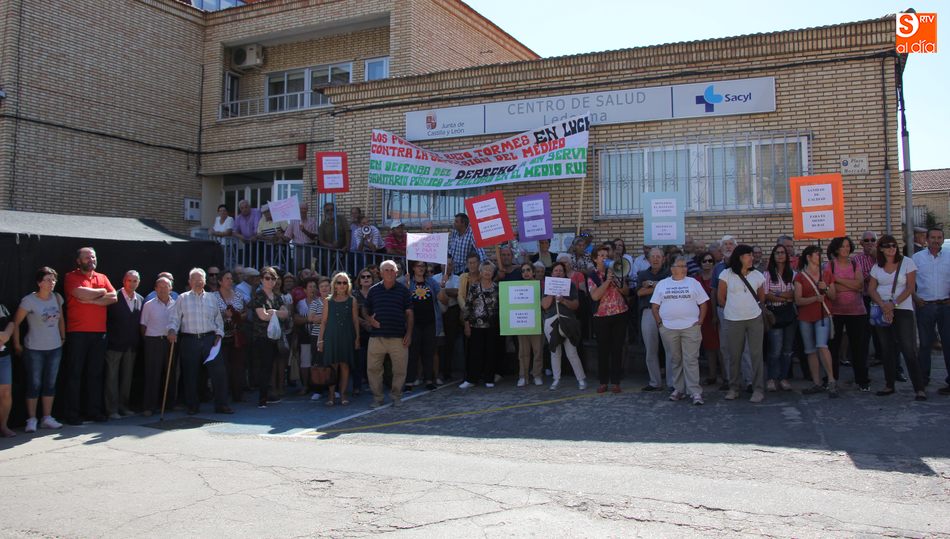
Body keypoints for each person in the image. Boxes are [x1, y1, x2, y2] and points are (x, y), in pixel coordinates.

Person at [63, 247, 117, 425]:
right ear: (79, 261)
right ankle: (73, 414)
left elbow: (114, 296)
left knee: (95, 374)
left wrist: (91, 299)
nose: (91, 259)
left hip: (99, 333)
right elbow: (78, 293)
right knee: (75, 374)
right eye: (87, 257)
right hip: (77, 333)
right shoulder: (71, 277)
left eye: (93, 256)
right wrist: (101, 293)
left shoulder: (102, 277)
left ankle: (94, 411)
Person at [869, 235, 926, 400]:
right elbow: (872, 289)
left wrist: (892, 305)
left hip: (902, 309)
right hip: (882, 309)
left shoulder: (907, 262)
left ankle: (919, 388)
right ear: (881, 248)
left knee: (908, 349)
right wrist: (882, 305)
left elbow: (910, 287)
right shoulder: (877, 267)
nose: (891, 248)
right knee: (887, 349)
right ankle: (889, 384)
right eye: (887, 245)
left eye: (893, 245)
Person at [168, 268, 231, 414]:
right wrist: (171, 330)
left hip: (210, 339)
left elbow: (218, 319)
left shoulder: (212, 298)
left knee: (218, 373)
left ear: (204, 281)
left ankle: (221, 404)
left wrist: (219, 334)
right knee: (190, 374)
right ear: (189, 282)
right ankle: (192, 405)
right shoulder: (182, 298)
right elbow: (175, 318)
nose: (198, 282)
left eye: (200, 280)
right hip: (189, 340)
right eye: (194, 280)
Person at [11, 267, 65, 432]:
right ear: (39, 282)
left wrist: (63, 338)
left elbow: (61, 318)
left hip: (55, 347)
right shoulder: (29, 301)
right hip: (34, 348)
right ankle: (32, 418)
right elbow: (16, 322)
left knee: (50, 383)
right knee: (34, 384)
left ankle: (47, 417)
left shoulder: (57, 298)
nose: (52, 283)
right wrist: (17, 344)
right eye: (48, 280)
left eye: (53, 279)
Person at [651, 255, 709, 405]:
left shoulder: (693, 283)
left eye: (685, 266)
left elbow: (703, 304)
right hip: (669, 328)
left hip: (691, 327)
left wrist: (700, 321)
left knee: (691, 360)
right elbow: (655, 307)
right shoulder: (662, 284)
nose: (684, 269)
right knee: (675, 359)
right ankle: (679, 389)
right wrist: (660, 324)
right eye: (681, 266)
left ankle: (695, 391)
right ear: (672, 268)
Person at [718, 244, 767, 403]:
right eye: (748, 255)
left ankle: (758, 389)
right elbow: (720, 297)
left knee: (756, 355)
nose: (752, 258)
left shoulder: (758, 275)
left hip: (754, 319)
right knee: (734, 355)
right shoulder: (726, 274)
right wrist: (733, 309)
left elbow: (762, 297)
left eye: (752, 255)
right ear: (740, 257)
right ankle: (734, 388)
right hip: (733, 320)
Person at [364, 260, 413, 407]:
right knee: (373, 369)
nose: (389, 273)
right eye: (386, 270)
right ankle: (377, 398)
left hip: (398, 337)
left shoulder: (404, 290)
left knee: (399, 369)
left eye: (392, 270)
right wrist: (369, 320)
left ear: (397, 273)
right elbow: (365, 309)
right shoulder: (373, 290)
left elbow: (410, 314)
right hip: (376, 337)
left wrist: (409, 334)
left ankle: (396, 396)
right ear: (380, 273)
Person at [825, 236, 870, 391]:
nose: (845, 249)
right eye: (842, 246)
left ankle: (862, 380)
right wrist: (848, 286)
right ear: (836, 249)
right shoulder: (830, 265)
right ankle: (832, 379)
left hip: (857, 312)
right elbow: (831, 289)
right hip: (835, 312)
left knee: (858, 347)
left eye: (847, 246)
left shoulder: (854, 263)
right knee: (833, 346)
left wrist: (838, 280)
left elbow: (859, 285)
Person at [795, 245, 839, 398]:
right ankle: (817, 382)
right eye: (816, 254)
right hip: (805, 317)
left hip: (823, 315)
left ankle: (831, 380)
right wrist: (815, 298)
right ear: (808, 257)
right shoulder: (800, 276)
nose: (819, 257)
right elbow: (798, 300)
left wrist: (825, 288)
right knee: (809, 350)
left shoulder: (826, 274)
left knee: (822, 345)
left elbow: (833, 296)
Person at [911, 227, 950, 393]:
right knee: (925, 345)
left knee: (948, 344)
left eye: (939, 237)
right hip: (925, 306)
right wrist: (915, 298)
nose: (936, 240)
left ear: (943, 239)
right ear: (926, 239)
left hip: (946, 306)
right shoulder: (917, 258)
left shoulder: (949, 255)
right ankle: (922, 381)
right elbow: (909, 281)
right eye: (932, 237)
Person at [589, 245, 629, 393]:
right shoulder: (592, 276)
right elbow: (595, 296)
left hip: (620, 314)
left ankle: (616, 381)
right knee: (603, 350)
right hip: (601, 317)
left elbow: (626, 291)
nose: (605, 258)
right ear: (595, 259)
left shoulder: (617, 271)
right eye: (601, 255)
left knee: (617, 349)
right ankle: (603, 381)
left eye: (606, 255)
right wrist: (606, 281)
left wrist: (617, 280)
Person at [316, 272, 360, 406]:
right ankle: (331, 395)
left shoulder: (352, 300)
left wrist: (357, 338)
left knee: (345, 365)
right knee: (333, 366)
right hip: (331, 336)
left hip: (347, 335)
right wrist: (320, 340)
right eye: (339, 282)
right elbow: (323, 322)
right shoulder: (328, 301)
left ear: (348, 285)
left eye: (344, 283)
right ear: (334, 285)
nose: (342, 285)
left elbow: (355, 321)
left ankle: (343, 394)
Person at [248, 266, 289, 409]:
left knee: (272, 365)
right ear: (261, 280)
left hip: (275, 337)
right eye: (267, 278)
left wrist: (274, 312)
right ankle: (262, 398)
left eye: (273, 278)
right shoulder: (258, 296)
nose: (270, 281)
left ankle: (270, 393)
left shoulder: (278, 297)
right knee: (264, 367)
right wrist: (276, 313)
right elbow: (262, 316)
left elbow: (285, 313)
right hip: (262, 337)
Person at [542, 261, 586, 390]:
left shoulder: (570, 285)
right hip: (551, 320)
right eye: (556, 270)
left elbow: (576, 305)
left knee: (571, 352)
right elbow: (544, 305)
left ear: (564, 273)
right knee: (555, 351)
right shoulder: (546, 285)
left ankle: (581, 379)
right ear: (552, 273)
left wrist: (563, 301)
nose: (558, 272)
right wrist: (551, 291)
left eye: (561, 270)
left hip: (567, 320)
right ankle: (556, 379)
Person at [105, 270, 143, 418]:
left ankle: (123, 406)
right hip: (114, 345)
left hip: (132, 346)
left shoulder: (140, 299)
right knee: (111, 378)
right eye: (129, 280)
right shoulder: (114, 297)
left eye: (135, 281)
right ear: (124, 281)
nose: (132, 283)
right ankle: (112, 409)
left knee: (127, 378)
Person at [460, 261, 500, 389]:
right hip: (475, 326)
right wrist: (466, 324)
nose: (488, 272)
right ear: (481, 272)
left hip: (493, 326)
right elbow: (468, 307)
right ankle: (471, 379)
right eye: (485, 270)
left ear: (493, 273)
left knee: (491, 352)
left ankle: (489, 378)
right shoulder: (474, 287)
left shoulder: (497, 288)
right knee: (474, 353)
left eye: (490, 270)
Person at [139, 276, 176, 416]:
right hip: (153, 341)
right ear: (155, 289)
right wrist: (148, 341)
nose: (162, 289)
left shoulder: (176, 304)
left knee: (170, 373)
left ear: (171, 288)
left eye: (165, 286)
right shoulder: (149, 305)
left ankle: (169, 403)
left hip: (170, 341)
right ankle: (149, 406)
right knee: (152, 374)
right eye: (159, 287)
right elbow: (143, 326)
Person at [404, 260, 442, 391]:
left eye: (423, 266)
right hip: (413, 324)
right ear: (413, 268)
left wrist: (442, 287)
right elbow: (403, 299)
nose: (421, 268)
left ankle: (429, 380)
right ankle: (409, 381)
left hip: (430, 322)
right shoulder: (407, 281)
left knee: (429, 352)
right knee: (412, 353)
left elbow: (443, 299)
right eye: (418, 266)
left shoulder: (431, 282)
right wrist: (406, 284)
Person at [763, 245, 796, 392]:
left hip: (789, 313)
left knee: (787, 350)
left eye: (783, 253)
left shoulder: (793, 274)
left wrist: (776, 294)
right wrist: (783, 295)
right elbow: (765, 294)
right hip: (774, 313)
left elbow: (794, 295)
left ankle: (783, 378)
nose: (781, 255)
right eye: (777, 253)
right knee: (775, 349)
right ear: (773, 256)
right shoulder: (767, 274)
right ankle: (771, 378)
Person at [637, 247, 670, 391]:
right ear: (648, 259)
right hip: (648, 312)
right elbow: (639, 292)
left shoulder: (670, 273)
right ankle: (655, 382)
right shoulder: (642, 274)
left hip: (668, 313)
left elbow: (669, 289)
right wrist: (660, 285)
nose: (656, 259)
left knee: (670, 349)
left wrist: (651, 284)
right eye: (653, 256)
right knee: (651, 349)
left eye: (658, 256)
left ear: (663, 259)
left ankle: (673, 383)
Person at [215, 270, 246, 403]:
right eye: (227, 278)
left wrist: (238, 317)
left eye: (231, 279)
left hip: (236, 335)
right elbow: (211, 315)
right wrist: (224, 315)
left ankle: (237, 394)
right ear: (220, 281)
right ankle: (223, 395)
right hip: (221, 335)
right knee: (223, 367)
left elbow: (245, 312)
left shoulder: (238, 295)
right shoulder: (213, 296)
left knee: (238, 366)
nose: (230, 281)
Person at [516, 263, 544, 387]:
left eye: (528, 270)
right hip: (521, 322)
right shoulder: (516, 287)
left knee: (538, 350)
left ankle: (537, 375)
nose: (525, 273)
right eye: (523, 271)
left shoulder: (540, 286)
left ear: (533, 272)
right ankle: (523, 376)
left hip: (536, 322)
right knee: (523, 352)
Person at [695, 251, 721, 385]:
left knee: (721, 346)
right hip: (703, 315)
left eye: (710, 261)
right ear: (700, 263)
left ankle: (726, 376)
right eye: (704, 261)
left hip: (717, 313)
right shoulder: (696, 280)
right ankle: (712, 375)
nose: (707, 263)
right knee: (709, 346)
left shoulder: (718, 278)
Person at [434, 257, 460, 383]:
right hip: (438, 312)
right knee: (439, 343)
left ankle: (447, 372)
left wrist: (442, 289)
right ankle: (438, 372)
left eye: (450, 264)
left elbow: (457, 292)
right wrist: (444, 290)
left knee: (450, 342)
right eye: (445, 264)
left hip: (452, 312)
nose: (448, 267)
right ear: (440, 266)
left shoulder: (457, 278)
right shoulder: (434, 278)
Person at [307, 277, 332, 401]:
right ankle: (317, 390)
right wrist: (327, 317)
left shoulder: (334, 301)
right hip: (316, 336)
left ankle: (333, 388)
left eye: (326, 286)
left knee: (332, 363)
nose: (324, 288)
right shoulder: (315, 302)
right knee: (317, 363)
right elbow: (311, 318)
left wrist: (321, 317)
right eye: (322, 286)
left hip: (332, 336)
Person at [352, 269, 376, 395]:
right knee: (359, 360)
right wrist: (364, 322)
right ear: (359, 280)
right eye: (363, 277)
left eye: (368, 276)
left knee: (375, 360)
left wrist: (372, 323)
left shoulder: (377, 292)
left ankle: (375, 386)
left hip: (375, 330)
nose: (366, 278)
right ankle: (357, 386)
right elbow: (353, 313)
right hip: (359, 331)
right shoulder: (354, 294)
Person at [0, 304, 14, 437]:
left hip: (3, 357)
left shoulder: (2, 306)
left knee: (5, 393)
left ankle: (3, 426)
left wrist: (7, 334)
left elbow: (11, 322)